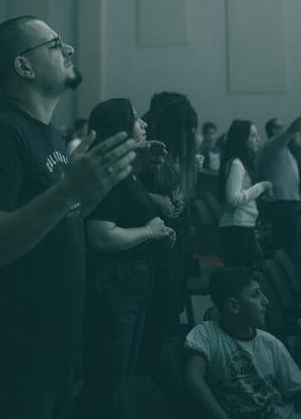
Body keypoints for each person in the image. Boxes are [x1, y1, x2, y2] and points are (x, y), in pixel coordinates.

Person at [0, 16, 138, 419]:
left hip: (51, 352)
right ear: (23, 67)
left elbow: (60, 218)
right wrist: (68, 190)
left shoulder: (50, 135)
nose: (69, 49)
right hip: (5, 361)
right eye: (54, 44)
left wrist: (94, 189)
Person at [78, 98, 172, 419]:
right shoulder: (108, 173)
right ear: (120, 129)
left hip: (132, 282)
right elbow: (101, 236)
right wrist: (148, 232)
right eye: (135, 119)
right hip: (115, 285)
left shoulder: (127, 171)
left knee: (122, 377)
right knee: (108, 380)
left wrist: (157, 232)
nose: (143, 123)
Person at [184, 267, 301, 418]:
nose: (266, 301)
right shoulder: (205, 334)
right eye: (256, 295)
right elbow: (193, 378)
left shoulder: (271, 343)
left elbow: (296, 389)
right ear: (234, 306)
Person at [138, 91, 199, 371]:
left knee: (171, 307)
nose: (188, 136)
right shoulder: (145, 149)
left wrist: (179, 193)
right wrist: (158, 199)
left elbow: (181, 194)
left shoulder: (178, 151)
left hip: (176, 241)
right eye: (184, 130)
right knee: (156, 317)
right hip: (152, 244)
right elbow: (122, 188)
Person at [218, 120, 272, 268]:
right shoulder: (236, 163)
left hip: (243, 224)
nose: (258, 139)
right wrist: (261, 187)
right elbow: (233, 198)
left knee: (243, 273)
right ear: (242, 139)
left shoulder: (241, 162)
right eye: (253, 136)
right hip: (236, 226)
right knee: (237, 275)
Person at [257, 116, 301, 254]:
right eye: (278, 127)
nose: (282, 129)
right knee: (282, 240)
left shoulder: (285, 149)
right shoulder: (272, 145)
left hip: (288, 201)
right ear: (271, 130)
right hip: (280, 201)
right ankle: (276, 270)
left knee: (289, 238)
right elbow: (292, 129)